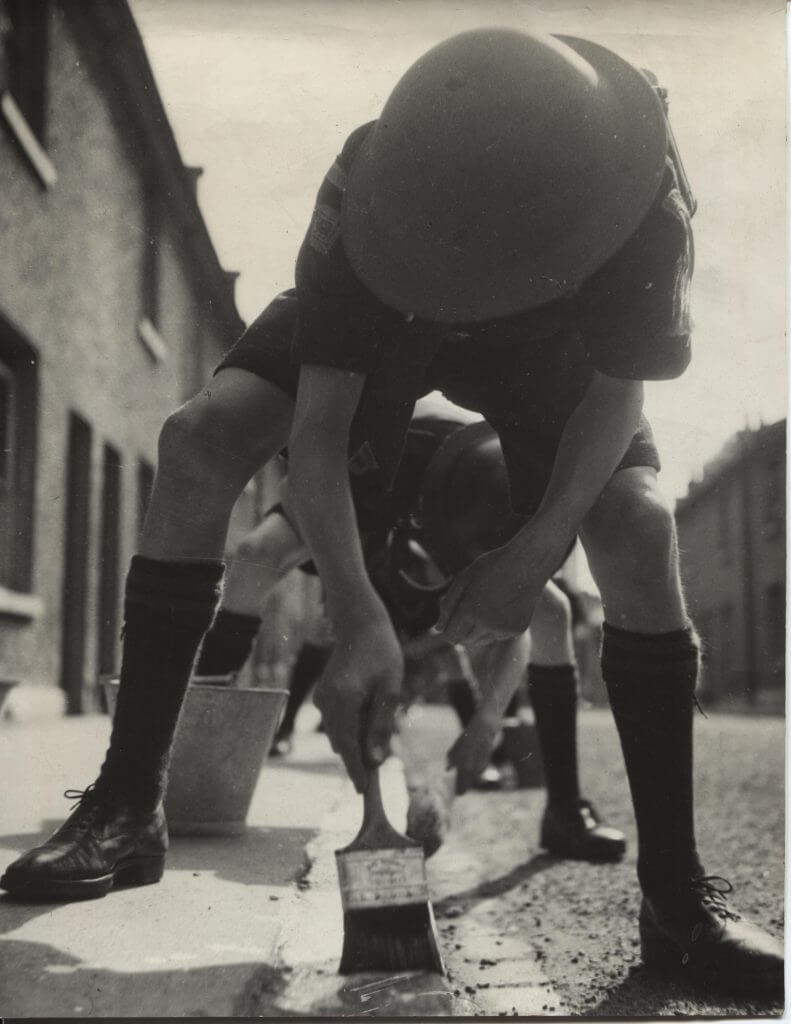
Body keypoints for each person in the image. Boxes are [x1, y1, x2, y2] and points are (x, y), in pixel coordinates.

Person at [2, 29, 781, 995]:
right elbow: (321, 435)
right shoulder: (369, 188)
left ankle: (673, 894)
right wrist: (361, 618)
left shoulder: (640, 197)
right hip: (396, 301)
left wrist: (532, 554)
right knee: (198, 437)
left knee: (640, 527)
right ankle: (126, 805)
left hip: (551, 332)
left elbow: (616, 395)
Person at [193, 393, 626, 861]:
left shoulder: (503, 481)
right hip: (358, 506)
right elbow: (301, 485)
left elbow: (516, 625)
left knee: (553, 612)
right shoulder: (382, 441)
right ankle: (197, 744)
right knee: (257, 556)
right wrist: (346, 597)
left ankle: (565, 808)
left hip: (440, 519)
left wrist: (485, 724)